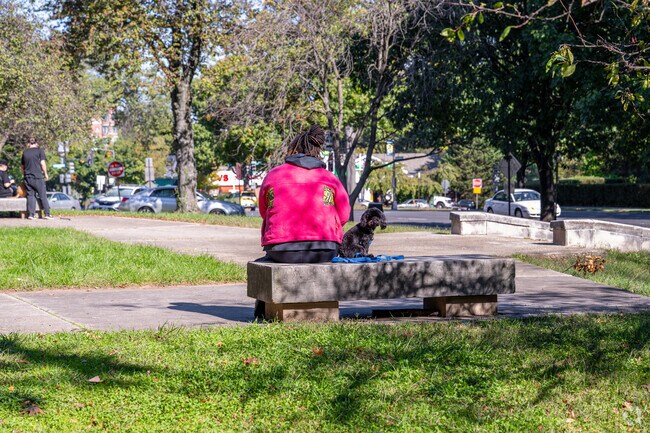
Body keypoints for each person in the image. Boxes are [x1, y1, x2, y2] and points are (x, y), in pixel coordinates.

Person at [259, 124, 351, 263]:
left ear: (292, 151)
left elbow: (263, 210)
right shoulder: (329, 178)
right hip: (325, 248)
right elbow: (344, 215)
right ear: (317, 151)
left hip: (280, 249)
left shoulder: (273, 175)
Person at [21, 136, 52, 219]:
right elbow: (42, 163)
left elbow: (22, 166)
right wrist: (45, 174)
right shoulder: (39, 151)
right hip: (37, 177)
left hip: (28, 177)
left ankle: (31, 214)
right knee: (42, 195)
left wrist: (24, 175)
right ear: (36, 143)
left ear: (28, 144)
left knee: (30, 195)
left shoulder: (25, 152)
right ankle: (47, 214)